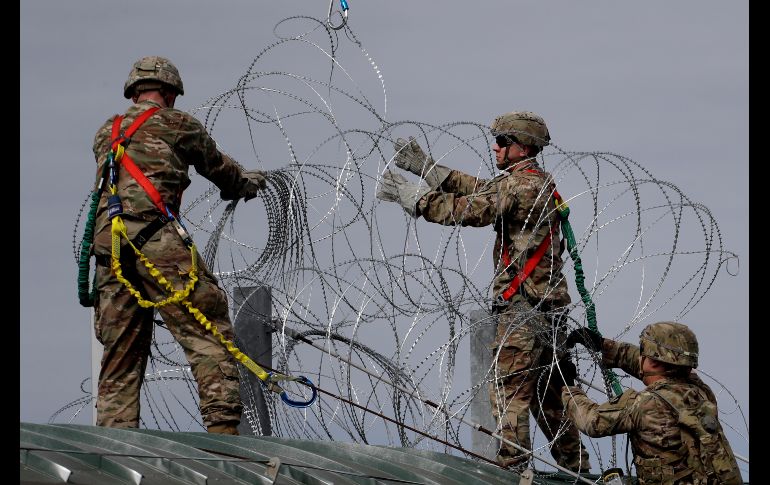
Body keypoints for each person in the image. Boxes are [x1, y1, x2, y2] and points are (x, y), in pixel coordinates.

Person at [376, 111, 590, 471]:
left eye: (503, 142)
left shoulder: (520, 186)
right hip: (548, 312)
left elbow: (473, 209)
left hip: (523, 311)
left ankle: (513, 470)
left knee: (509, 392)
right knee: (547, 395)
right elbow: (481, 188)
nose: (496, 147)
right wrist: (429, 168)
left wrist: (416, 200)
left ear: (522, 147)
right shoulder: (534, 181)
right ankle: (578, 469)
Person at [89, 56, 267, 435]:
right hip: (155, 240)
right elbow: (216, 165)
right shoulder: (178, 123)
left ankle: (114, 442)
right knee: (207, 332)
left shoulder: (108, 130)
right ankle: (223, 434)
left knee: (120, 353)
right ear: (169, 93)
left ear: (134, 91)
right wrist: (244, 183)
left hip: (110, 250)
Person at [561, 321, 743, 484]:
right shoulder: (700, 391)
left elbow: (592, 421)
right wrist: (605, 346)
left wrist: (569, 388)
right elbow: (658, 366)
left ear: (653, 363)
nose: (640, 357)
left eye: (643, 352)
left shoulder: (645, 404)